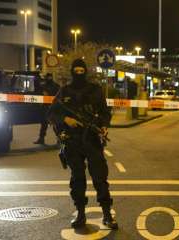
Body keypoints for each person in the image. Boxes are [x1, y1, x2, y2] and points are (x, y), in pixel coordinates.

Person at [48, 59, 118, 229]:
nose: (79, 73)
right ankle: (80, 214)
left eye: (82, 70)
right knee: (77, 179)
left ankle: (107, 214)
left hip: (92, 139)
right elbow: (51, 114)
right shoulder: (64, 91)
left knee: (100, 178)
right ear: (72, 72)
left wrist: (103, 126)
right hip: (72, 141)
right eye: (76, 70)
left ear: (86, 71)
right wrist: (66, 119)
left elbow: (104, 112)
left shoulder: (95, 91)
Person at [34, 73, 59, 145]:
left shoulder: (56, 86)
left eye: (50, 77)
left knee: (55, 124)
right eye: (48, 77)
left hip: (53, 107)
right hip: (45, 107)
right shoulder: (43, 86)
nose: (49, 78)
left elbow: (58, 95)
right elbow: (39, 93)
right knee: (44, 123)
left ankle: (59, 139)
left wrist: (48, 94)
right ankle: (41, 139)